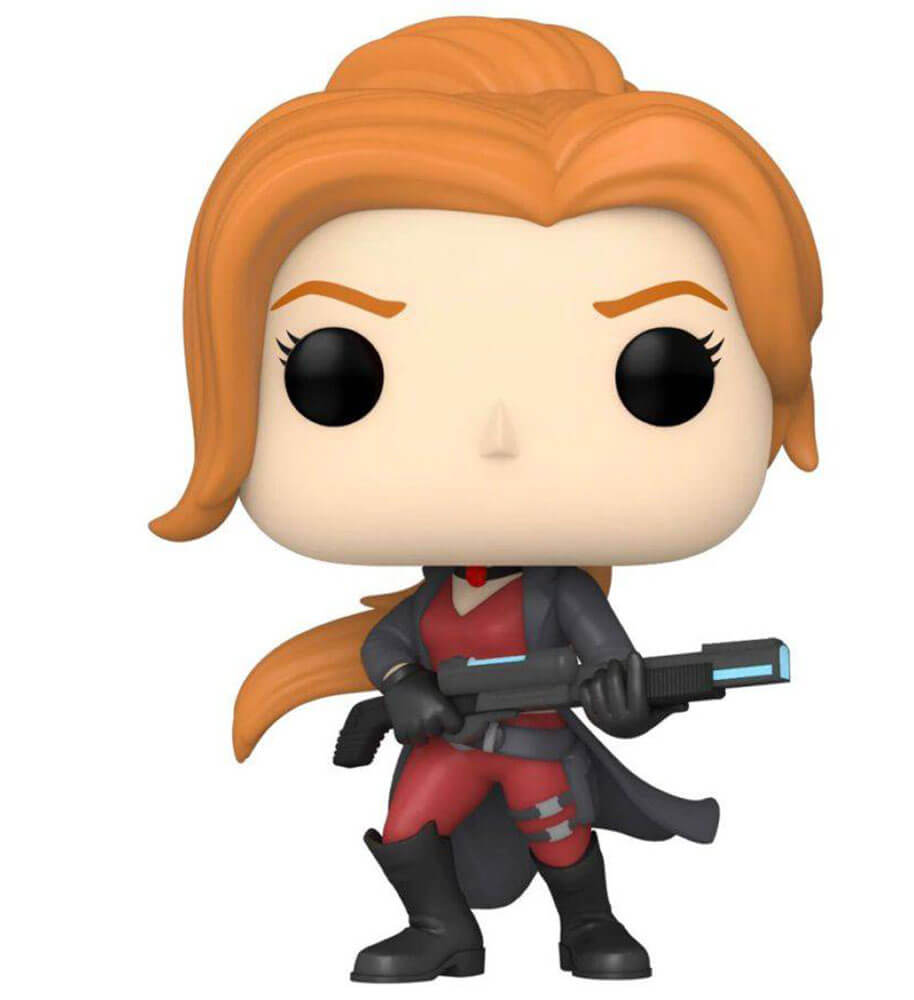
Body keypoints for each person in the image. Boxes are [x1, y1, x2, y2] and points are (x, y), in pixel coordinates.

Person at [152, 16, 822, 983]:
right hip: (452, 739)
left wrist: (635, 701)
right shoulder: (438, 600)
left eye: (664, 371)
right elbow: (390, 646)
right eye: (339, 373)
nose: (500, 436)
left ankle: (588, 927)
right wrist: (402, 691)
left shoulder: (559, 597)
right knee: (404, 823)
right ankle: (443, 931)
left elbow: (615, 677)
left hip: (535, 743)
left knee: (559, 831)